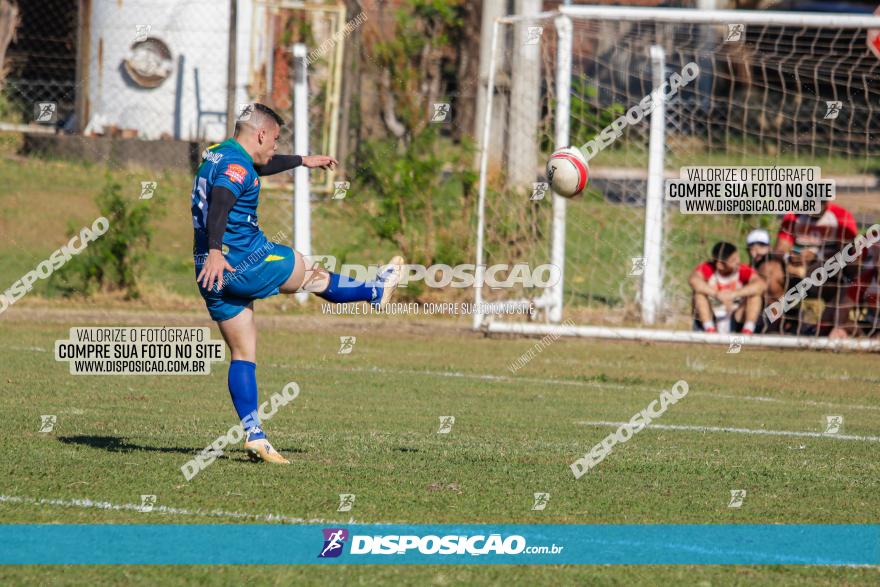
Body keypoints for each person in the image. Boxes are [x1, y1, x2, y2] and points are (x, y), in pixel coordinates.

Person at [191, 103, 403, 465]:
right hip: (244, 261)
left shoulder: (219, 154)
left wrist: (303, 160)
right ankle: (373, 291)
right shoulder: (238, 166)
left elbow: (256, 167)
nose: (275, 146)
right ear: (260, 134)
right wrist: (216, 249)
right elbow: (222, 201)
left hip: (211, 273)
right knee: (310, 271)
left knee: (243, 353)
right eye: (274, 139)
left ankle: (255, 436)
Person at [689, 241, 766, 334]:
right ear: (720, 264)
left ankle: (747, 331)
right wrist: (716, 294)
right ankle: (709, 329)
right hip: (712, 314)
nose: (738, 261)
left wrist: (734, 294)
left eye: (738, 257)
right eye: (733, 260)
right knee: (698, 294)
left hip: (736, 316)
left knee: (755, 296)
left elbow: (761, 285)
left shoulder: (741, 269)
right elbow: (693, 280)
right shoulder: (708, 268)